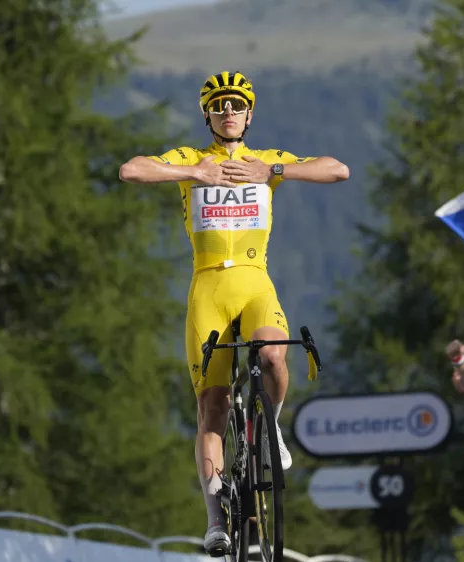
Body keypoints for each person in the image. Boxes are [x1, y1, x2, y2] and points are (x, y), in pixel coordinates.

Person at [118, 70, 350, 554]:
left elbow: (337, 169)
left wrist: (275, 173)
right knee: (213, 407)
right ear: (207, 115)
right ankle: (215, 521)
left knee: (273, 357)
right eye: (219, 106)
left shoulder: (265, 160)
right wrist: (192, 173)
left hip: (253, 281)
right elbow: (132, 170)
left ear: (250, 114)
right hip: (208, 286)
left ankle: (270, 430)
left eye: (237, 106)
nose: (228, 113)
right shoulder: (191, 159)